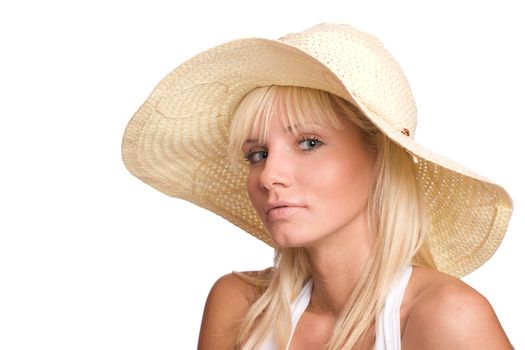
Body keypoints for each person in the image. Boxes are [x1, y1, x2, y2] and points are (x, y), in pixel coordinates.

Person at [121, 23, 514, 349]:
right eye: (256, 154)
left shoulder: (446, 317)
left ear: (381, 155)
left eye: (308, 143)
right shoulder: (238, 306)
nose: (269, 175)